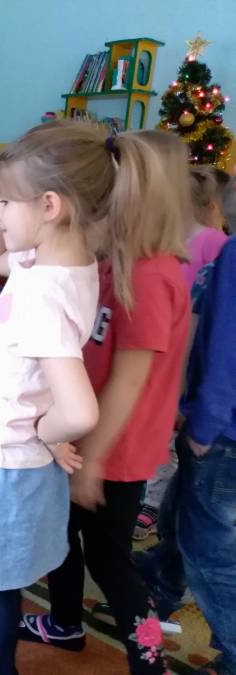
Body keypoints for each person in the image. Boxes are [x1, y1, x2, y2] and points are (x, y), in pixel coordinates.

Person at [0, 120, 132, 674]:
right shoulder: (59, 263)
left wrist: (47, 436)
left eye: (6, 204)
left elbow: (79, 411)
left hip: (2, 465)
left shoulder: (45, 292)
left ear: (49, 205)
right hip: (6, 460)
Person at [19, 129, 191, 675]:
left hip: (114, 451)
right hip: (86, 440)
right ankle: (64, 622)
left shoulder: (151, 274)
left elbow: (128, 383)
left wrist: (92, 461)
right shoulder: (113, 263)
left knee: (112, 563)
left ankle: (149, 660)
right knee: (59, 537)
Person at [134, 235, 236, 675]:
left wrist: (206, 423)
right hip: (216, 424)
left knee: (210, 551)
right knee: (180, 515)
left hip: (222, 432)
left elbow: (227, 343)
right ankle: (157, 586)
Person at [133, 164, 229, 540]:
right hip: (167, 348)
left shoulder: (214, 242)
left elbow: (214, 306)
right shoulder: (168, 239)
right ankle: (152, 495)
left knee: (175, 430)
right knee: (159, 425)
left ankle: (155, 501)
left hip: (189, 356)